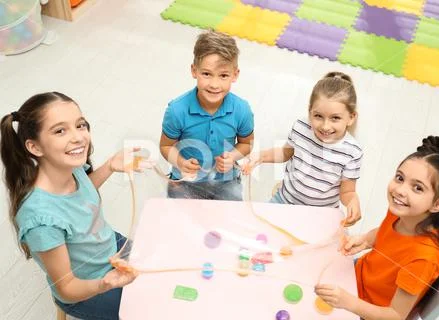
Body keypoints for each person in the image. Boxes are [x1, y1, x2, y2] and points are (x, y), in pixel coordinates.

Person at [0, 92, 145, 319]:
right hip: (86, 290)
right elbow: (66, 288)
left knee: (161, 266)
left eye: (80, 125)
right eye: (60, 130)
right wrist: (104, 284)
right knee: (151, 308)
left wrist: (110, 166)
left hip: (107, 244)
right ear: (35, 147)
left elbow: (83, 195)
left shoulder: (71, 168)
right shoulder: (40, 219)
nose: (78, 137)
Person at [315, 136, 439, 320]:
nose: (400, 190)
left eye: (417, 188)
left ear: (438, 204)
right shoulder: (402, 212)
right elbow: (387, 234)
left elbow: (396, 315)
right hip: (358, 279)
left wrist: (348, 302)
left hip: (369, 311)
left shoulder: (424, 258)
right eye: (400, 178)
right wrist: (365, 239)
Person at [242, 72, 362, 226]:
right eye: (318, 116)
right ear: (309, 111)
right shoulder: (301, 127)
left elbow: (347, 191)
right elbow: (286, 153)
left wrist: (353, 202)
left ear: (351, 117)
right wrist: (260, 156)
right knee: (259, 229)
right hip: (285, 200)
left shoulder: (352, 151)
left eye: (335, 118)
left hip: (321, 214)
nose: (325, 126)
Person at [160, 30, 254, 201]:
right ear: (194, 71)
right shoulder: (176, 110)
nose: (214, 84)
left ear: (235, 75)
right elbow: (166, 146)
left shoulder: (242, 110)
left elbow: (246, 143)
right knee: (179, 220)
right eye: (206, 74)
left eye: (223, 75)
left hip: (226, 180)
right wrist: (181, 163)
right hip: (185, 180)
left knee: (231, 218)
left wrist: (232, 157)